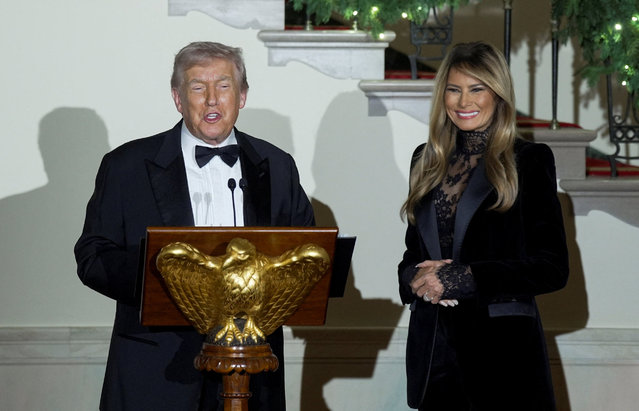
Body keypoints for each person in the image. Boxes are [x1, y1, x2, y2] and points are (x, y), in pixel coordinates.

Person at [75, 41, 314, 410]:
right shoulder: (126, 166)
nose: (212, 100)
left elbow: (304, 254)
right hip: (154, 369)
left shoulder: (278, 165)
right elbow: (93, 256)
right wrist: (159, 275)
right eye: (198, 88)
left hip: (251, 371)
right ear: (177, 98)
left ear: (243, 95)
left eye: (223, 86)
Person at [397, 41, 569, 411]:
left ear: (498, 95)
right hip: (434, 356)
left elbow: (553, 268)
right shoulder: (424, 161)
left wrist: (464, 277)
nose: (464, 102)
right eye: (454, 89)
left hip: (504, 359)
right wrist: (415, 277)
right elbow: (413, 255)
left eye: (478, 89)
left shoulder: (529, 161)